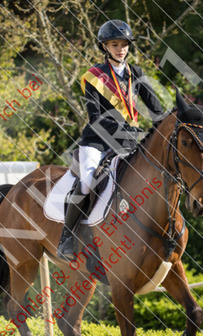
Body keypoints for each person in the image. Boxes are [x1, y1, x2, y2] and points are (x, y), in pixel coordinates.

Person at [57, 19, 165, 260]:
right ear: (104, 47)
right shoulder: (94, 77)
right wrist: (126, 129)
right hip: (97, 142)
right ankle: (66, 237)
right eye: (115, 44)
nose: (121, 49)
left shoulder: (136, 74)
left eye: (124, 44)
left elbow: (157, 112)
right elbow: (95, 118)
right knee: (87, 182)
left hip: (129, 143)